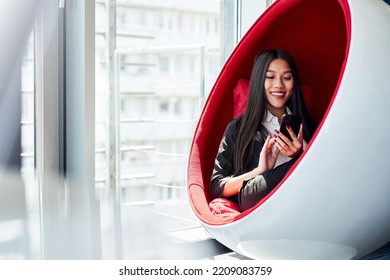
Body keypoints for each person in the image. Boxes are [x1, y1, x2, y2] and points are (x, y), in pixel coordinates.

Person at [210, 49, 317, 212]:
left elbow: (323, 171)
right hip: (259, 202)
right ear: (259, 80)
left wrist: (301, 155)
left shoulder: (309, 126)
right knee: (251, 193)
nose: (279, 85)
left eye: (287, 78)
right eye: (270, 77)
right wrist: (260, 170)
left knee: (313, 164)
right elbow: (217, 186)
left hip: (303, 199)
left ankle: (302, 163)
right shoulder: (238, 128)